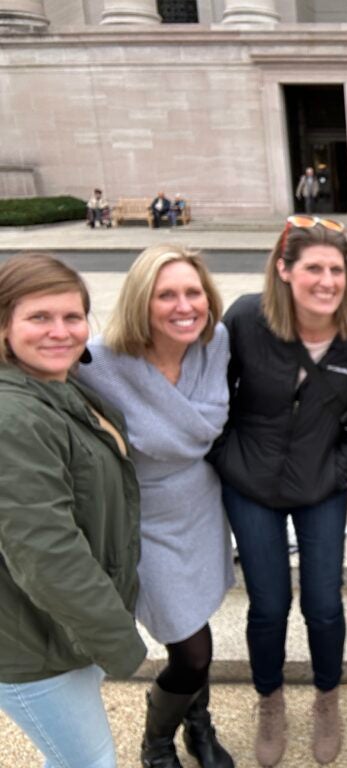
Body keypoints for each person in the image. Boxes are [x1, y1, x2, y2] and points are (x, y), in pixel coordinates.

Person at [209, 215, 347, 767]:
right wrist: (223, 457)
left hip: (320, 487)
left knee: (324, 604)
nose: (327, 280)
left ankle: (327, 698)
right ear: (285, 270)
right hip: (249, 484)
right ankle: (270, 701)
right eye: (313, 267)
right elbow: (209, 392)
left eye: (337, 269)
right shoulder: (246, 318)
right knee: (267, 605)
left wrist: (336, 473)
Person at [77, 245, 234, 768]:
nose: (183, 305)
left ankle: (197, 722)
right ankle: (157, 740)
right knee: (190, 650)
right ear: (142, 301)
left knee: (199, 623)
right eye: (166, 294)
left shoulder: (216, 343)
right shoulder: (97, 361)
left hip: (201, 506)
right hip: (146, 518)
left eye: (193, 292)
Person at [0, 252, 147, 768]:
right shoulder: (13, 416)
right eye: (39, 317)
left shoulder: (60, 389)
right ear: (4, 326)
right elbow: (46, 549)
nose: (59, 331)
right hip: (30, 644)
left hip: (63, 629)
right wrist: (117, 639)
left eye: (72, 316)